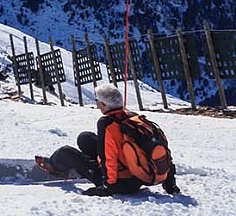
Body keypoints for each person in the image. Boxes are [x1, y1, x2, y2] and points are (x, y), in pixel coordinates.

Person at [36, 84, 180, 196]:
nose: (98, 104)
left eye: (98, 102)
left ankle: (55, 167)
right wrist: (170, 183)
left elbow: (108, 157)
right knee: (85, 138)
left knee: (64, 152)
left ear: (104, 105)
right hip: (137, 175)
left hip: (120, 183)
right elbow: (161, 146)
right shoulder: (133, 117)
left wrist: (108, 186)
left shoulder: (106, 124)